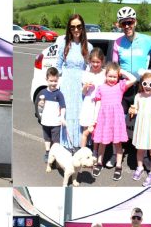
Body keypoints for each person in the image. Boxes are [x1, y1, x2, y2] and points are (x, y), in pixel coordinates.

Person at [109, 6, 151, 168]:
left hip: (142, 88)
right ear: (119, 25)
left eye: (129, 22)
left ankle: (144, 156)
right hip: (124, 87)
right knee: (116, 121)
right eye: (123, 23)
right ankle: (115, 153)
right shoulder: (118, 42)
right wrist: (123, 73)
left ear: (135, 22)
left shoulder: (146, 40)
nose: (127, 26)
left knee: (145, 122)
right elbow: (114, 67)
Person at [91, 62, 137, 181]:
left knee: (117, 143)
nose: (112, 79)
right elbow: (98, 104)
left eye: (115, 77)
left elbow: (134, 79)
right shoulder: (101, 88)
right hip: (104, 118)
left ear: (118, 77)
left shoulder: (120, 86)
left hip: (116, 119)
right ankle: (99, 163)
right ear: (105, 75)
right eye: (110, 76)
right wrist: (94, 119)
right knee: (102, 142)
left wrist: (122, 72)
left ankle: (118, 166)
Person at [55, 14, 92, 150]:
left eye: (78, 26)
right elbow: (57, 66)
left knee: (80, 113)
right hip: (67, 84)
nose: (76, 30)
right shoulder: (64, 44)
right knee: (69, 112)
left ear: (82, 28)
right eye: (72, 27)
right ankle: (67, 144)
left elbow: (92, 67)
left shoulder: (88, 46)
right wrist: (54, 84)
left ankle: (79, 144)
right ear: (69, 29)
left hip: (81, 85)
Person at [130, 72, 151, 187]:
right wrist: (132, 111)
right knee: (140, 150)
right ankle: (140, 167)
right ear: (141, 84)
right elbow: (136, 110)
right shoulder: (138, 96)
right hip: (140, 128)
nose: (147, 86)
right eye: (145, 83)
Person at [79, 48, 106, 153]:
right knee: (86, 131)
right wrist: (85, 87)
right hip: (89, 104)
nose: (95, 64)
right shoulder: (86, 74)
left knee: (97, 131)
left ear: (102, 61)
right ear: (89, 61)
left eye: (98, 62)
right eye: (93, 62)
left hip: (100, 105)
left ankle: (95, 151)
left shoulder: (104, 74)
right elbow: (83, 93)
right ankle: (82, 152)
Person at [38, 66, 66, 163]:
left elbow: (63, 107)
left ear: (58, 80)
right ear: (47, 80)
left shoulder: (59, 94)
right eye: (51, 81)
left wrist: (62, 118)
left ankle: (56, 155)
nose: (53, 83)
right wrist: (40, 105)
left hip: (55, 122)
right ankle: (47, 152)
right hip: (45, 121)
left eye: (55, 81)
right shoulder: (43, 93)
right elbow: (40, 108)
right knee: (47, 138)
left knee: (55, 140)